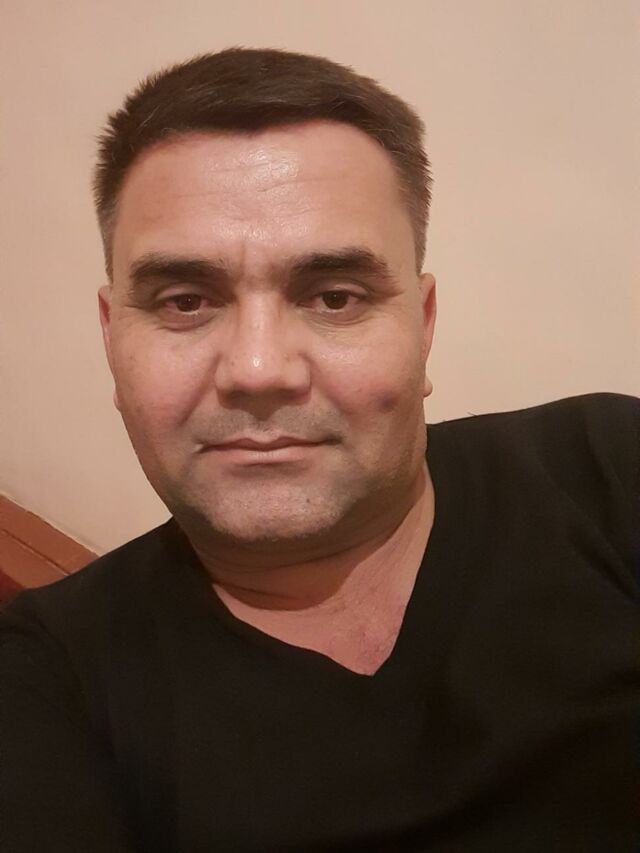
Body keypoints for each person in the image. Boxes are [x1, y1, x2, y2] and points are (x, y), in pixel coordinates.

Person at [1, 47, 638, 852]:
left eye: (335, 296)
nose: (258, 370)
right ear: (110, 339)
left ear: (423, 326)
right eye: (185, 300)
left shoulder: (610, 467)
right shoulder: (44, 677)